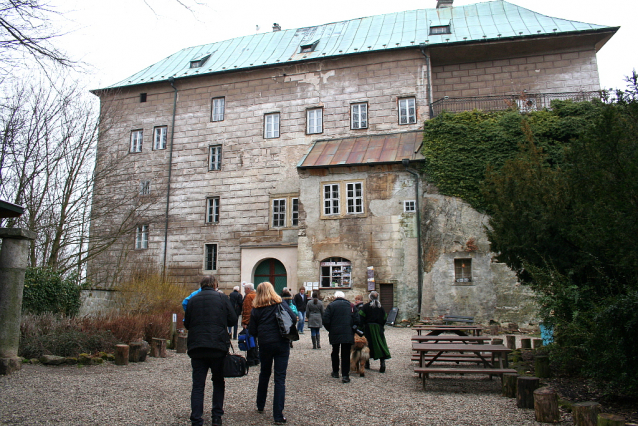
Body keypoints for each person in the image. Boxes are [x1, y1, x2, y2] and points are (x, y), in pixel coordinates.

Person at [184, 275, 237, 426]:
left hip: (197, 346)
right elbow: (233, 320)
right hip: (217, 346)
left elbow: (187, 323)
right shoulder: (222, 298)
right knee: (218, 381)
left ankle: (196, 418)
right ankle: (216, 416)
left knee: (198, 385)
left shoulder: (193, 300)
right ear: (215, 285)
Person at [249, 282, 296, 425]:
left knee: (264, 373)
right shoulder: (280, 304)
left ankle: (260, 404)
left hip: (265, 344)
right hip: (281, 342)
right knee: (279, 379)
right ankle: (278, 415)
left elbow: (252, 331)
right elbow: (293, 318)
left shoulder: (256, 309)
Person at [322, 290, 357, 383]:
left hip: (335, 331)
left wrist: (330, 328)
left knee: (335, 351)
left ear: (335, 297)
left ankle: (335, 372)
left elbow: (325, 320)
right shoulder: (351, 306)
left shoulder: (331, 306)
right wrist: (352, 329)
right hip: (347, 332)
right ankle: (345, 375)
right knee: (345, 354)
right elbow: (357, 320)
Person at [359, 291, 391, 373]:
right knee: (380, 344)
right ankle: (382, 363)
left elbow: (361, 317)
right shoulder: (381, 308)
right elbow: (385, 318)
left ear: (370, 298)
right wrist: (381, 326)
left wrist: (361, 327)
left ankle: (367, 363)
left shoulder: (366, 307)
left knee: (367, 345)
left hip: (368, 328)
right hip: (378, 328)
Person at [241, 283, 259, 366]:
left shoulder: (248, 297)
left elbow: (247, 310)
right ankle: (256, 358)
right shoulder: (257, 295)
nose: (244, 291)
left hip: (250, 322)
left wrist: (244, 322)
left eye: (245, 289)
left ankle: (251, 359)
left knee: (250, 340)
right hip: (257, 321)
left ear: (248, 289)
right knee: (255, 341)